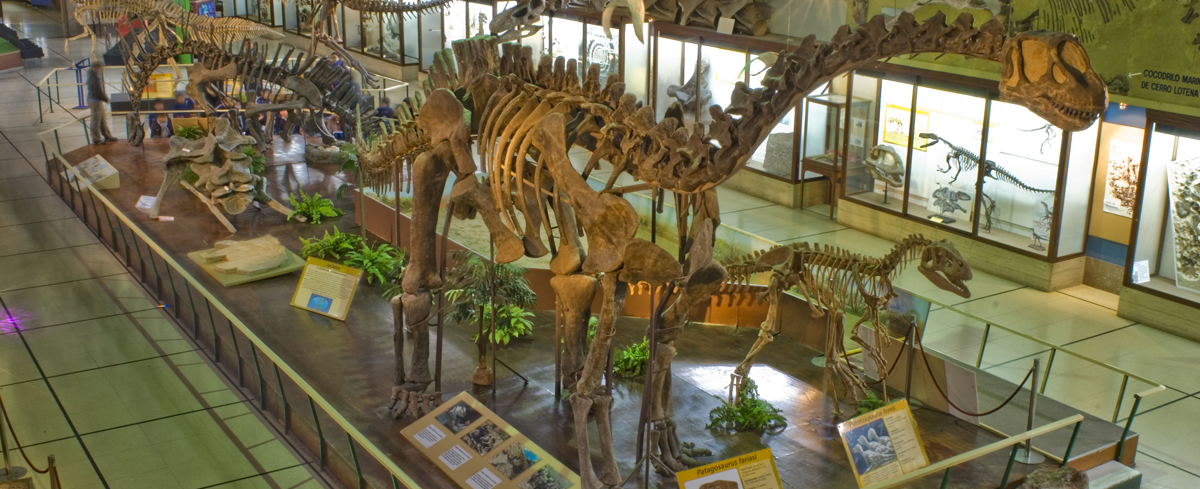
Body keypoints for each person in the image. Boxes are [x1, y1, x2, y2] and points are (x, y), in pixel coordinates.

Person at [86, 61, 117, 144]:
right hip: (95, 101)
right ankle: (96, 139)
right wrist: (105, 98)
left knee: (102, 119)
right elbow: (97, 91)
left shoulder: (94, 76)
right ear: (96, 68)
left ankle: (107, 135)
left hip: (97, 101)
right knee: (96, 120)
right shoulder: (94, 78)